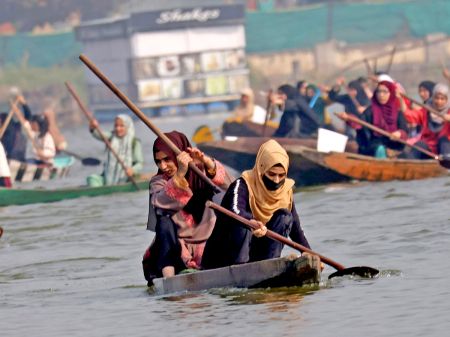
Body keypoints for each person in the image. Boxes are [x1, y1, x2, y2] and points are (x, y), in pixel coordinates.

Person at [202, 139, 312, 270]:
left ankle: (271, 264)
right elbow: (235, 211)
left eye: (281, 175)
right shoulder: (242, 185)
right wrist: (252, 222)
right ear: (261, 169)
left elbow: (295, 228)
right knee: (243, 222)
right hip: (225, 256)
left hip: (258, 256)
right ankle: (241, 268)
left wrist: (309, 254)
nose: (276, 180)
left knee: (285, 216)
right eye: (271, 174)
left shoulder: (286, 192)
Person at [142, 131, 231, 284]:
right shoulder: (158, 182)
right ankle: (169, 280)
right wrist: (179, 175)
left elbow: (230, 187)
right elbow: (160, 204)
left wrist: (206, 161)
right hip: (174, 250)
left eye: (167, 159)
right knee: (164, 222)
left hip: (207, 246)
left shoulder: (200, 171)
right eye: (158, 162)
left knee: (223, 202)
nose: (163, 166)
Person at [339, 80, 408, 158]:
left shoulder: (398, 112)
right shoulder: (370, 111)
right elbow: (360, 124)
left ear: (391, 93)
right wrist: (348, 118)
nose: (381, 95)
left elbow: (404, 130)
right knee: (380, 149)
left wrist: (399, 134)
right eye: (379, 92)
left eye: (385, 92)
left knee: (406, 156)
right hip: (374, 145)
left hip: (394, 145)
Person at [87, 114, 143, 186]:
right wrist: (93, 127)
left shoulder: (134, 142)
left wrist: (132, 170)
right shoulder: (111, 137)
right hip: (108, 178)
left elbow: (140, 163)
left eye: (121, 126)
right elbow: (99, 134)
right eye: (116, 126)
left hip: (126, 178)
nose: (118, 129)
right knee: (91, 179)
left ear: (128, 127)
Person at [403, 83, 450, 159]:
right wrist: (400, 99)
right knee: (419, 145)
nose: (439, 101)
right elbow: (410, 116)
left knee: (443, 140)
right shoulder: (427, 110)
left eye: (442, 99)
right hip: (429, 147)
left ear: (447, 100)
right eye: (436, 98)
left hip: (446, 149)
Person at [0, 94, 32, 161]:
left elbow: (28, 118)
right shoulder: (14, 127)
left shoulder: (15, 127)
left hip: (16, 159)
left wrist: (23, 104)